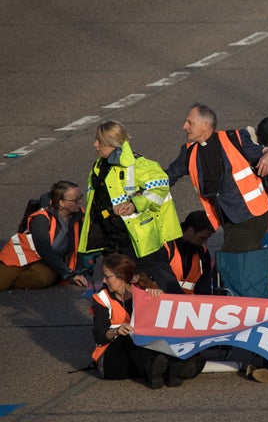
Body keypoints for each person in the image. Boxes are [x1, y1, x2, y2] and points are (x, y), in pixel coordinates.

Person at [78, 121, 182, 283]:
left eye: (99, 141)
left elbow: (161, 186)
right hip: (113, 241)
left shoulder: (137, 164)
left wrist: (135, 204)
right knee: (121, 290)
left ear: (112, 143)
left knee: (159, 287)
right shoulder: (99, 166)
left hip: (140, 242)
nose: (95, 144)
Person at [165, 103, 268, 253]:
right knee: (242, 266)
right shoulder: (189, 152)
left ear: (205, 125)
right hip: (226, 220)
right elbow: (169, 176)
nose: (185, 126)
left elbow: (263, 152)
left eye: (190, 122)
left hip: (251, 216)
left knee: (227, 263)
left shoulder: (235, 138)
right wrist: (144, 191)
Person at [91, 253, 205, 389]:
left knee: (161, 335)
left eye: (107, 277)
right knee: (131, 335)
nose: (104, 281)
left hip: (137, 360)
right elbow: (99, 335)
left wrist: (159, 302)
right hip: (112, 360)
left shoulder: (143, 293)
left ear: (121, 277)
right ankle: (165, 368)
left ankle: (175, 367)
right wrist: (117, 330)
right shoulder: (102, 299)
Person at [0, 181, 89, 290]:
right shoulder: (41, 218)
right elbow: (44, 249)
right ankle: (7, 278)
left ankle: (11, 280)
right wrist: (69, 273)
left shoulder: (80, 215)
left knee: (44, 279)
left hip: (46, 260)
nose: (80, 202)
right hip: (21, 255)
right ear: (61, 203)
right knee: (2, 283)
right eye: (76, 200)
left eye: (81, 197)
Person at [161, 211, 214, 295]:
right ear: (190, 231)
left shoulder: (203, 254)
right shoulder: (166, 247)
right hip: (163, 303)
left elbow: (204, 290)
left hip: (187, 305)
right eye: (202, 238)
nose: (205, 242)